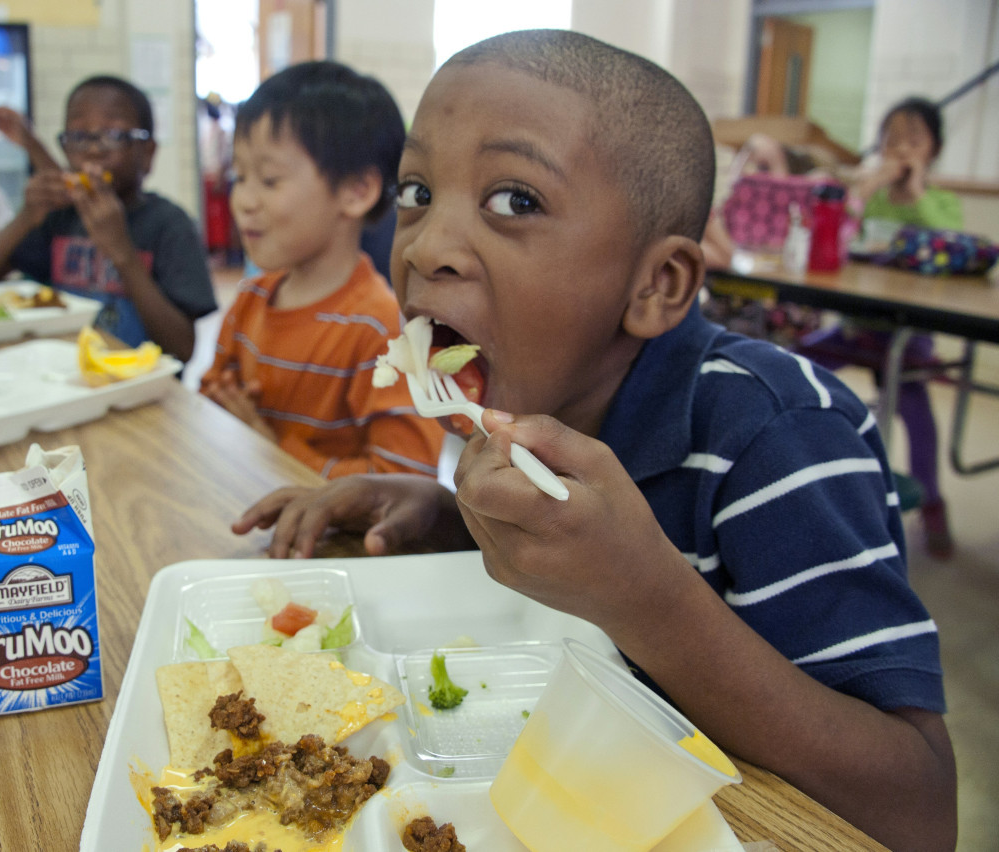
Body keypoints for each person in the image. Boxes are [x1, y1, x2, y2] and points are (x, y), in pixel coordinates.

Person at [229, 30, 956, 850]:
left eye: (516, 201)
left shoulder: (774, 435)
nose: (425, 247)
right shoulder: (538, 397)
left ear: (655, 285)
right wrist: (440, 517)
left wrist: (644, 598)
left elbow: (921, 809)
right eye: (417, 190)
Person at [200, 61, 443, 480]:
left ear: (355, 191)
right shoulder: (251, 298)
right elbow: (211, 399)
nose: (243, 200)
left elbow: (404, 481)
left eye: (269, 180)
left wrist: (270, 447)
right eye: (239, 176)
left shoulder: (380, 331)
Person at [796, 97, 962, 559]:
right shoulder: (874, 199)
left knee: (914, 406)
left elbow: (946, 241)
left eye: (913, 142)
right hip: (857, 326)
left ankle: (930, 499)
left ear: (933, 150)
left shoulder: (941, 202)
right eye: (892, 141)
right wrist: (864, 191)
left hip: (906, 334)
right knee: (796, 360)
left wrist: (919, 190)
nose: (900, 150)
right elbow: (841, 238)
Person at [0, 76, 216, 359]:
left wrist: (123, 255)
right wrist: (25, 218)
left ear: (147, 153)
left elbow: (182, 348)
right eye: (79, 137)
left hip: (139, 386)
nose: (94, 150)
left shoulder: (170, 225)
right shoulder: (59, 217)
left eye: (115, 135)